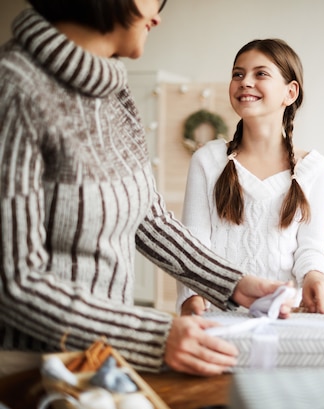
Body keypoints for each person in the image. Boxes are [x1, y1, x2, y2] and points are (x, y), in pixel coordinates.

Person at [0, 0, 294, 378]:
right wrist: (154, 335)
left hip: (103, 360)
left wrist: (234, 284)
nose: (157, 16)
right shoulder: (14, 90)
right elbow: (14, 283)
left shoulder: (114, 94)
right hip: (33, 370)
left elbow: (149, 219)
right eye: (152, 1)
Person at [176, 39, 324, 319]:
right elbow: (195, 248)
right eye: (238, 74)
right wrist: (192, 299)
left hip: (283, 317)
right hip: (216, 319)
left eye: (261, 74)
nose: (245, 81)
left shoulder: (313, 168)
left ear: (290, 92)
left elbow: (311, 249)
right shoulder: (207, 161)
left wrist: (316, 276)